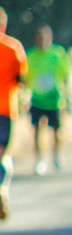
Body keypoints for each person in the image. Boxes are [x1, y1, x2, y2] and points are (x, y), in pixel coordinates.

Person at [25, 24, 69, 175]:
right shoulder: (31, 55)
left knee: (57, 130)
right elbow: (26, 76)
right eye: (39, 38)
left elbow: (65, 74)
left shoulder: (57, 53)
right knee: (36, 130)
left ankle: (57, 154)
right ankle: (39, 160)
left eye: (45, 38)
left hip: (54, 99)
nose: (42, 41)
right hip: (37, 98)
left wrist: (68, 95)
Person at [0, 7, 26, 219]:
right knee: (2, 154)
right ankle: (2, 188)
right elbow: (22, 79)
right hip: (6, 110)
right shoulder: (13, 47)